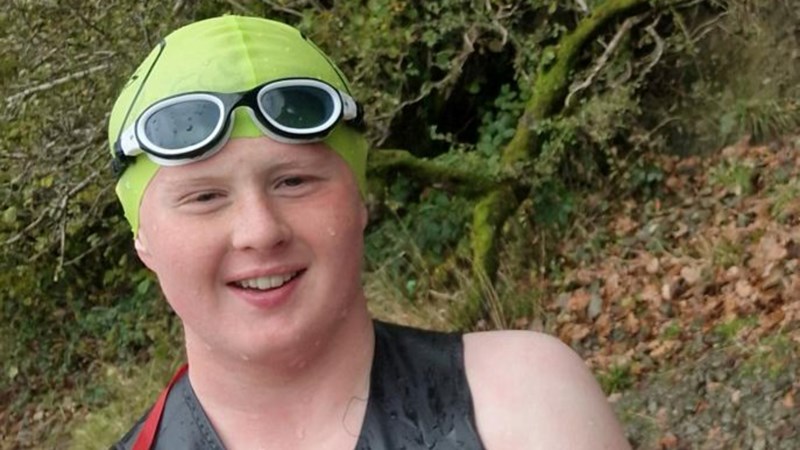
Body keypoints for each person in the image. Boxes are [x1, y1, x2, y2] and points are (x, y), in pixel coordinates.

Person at [107, 15, 630, 450]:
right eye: (204, 197)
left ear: (360, 199)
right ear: (142, 238)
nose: (260, 231)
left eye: (294, 181)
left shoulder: (521, 401)